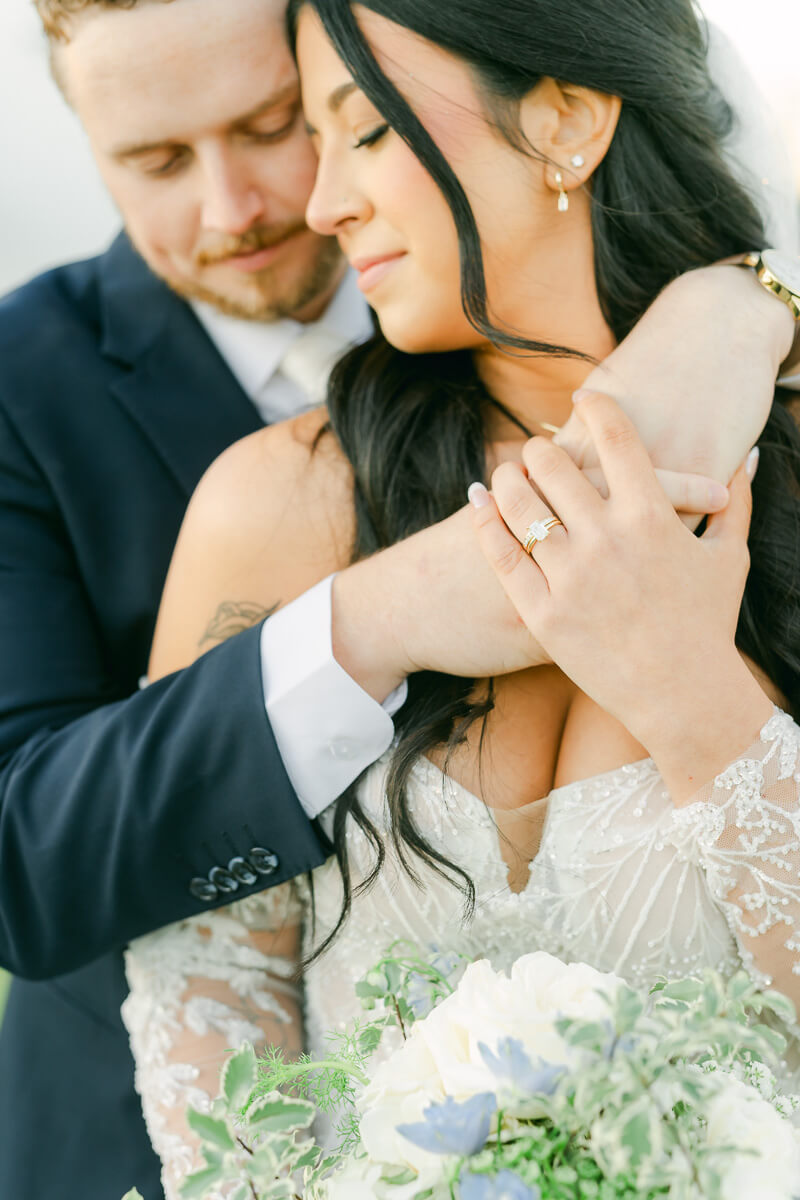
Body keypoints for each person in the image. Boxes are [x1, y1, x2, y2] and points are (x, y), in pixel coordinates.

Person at [0, 0, 796, 1197]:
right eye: (156, 162)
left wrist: (688, 686)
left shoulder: (750, 399)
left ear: (568, 116)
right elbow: (185, 982)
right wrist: (373, 618)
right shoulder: (268, 498)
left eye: (338, 128)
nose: (291, 203)